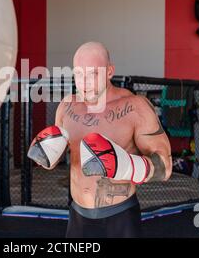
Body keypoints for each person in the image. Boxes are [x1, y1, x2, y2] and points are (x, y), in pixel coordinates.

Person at [28, 42, 172, 238]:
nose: (84, 82)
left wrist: (125, 165)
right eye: (79, 73)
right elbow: (56, 158)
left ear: (110, 71)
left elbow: (165, 166)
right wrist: (46, 155)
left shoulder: (135, 107)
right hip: (77, 214)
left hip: (120, 216)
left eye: (92, 74)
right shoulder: (67, 106)